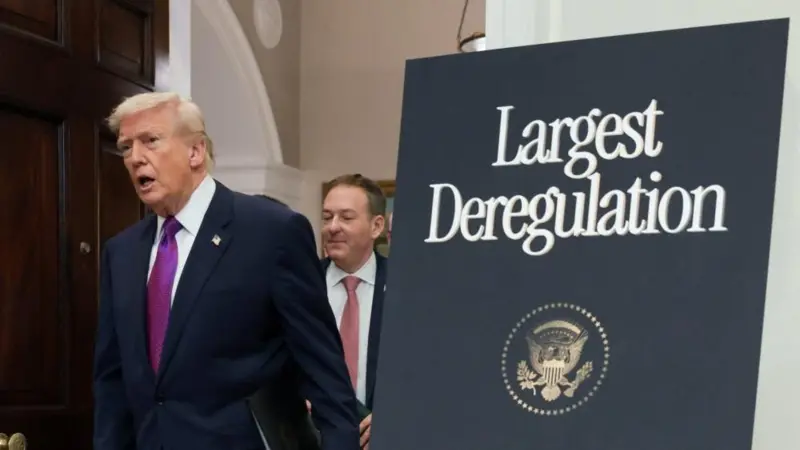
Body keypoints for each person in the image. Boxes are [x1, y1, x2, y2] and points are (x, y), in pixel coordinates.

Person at [93, 92, 359, 450]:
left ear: (195, 151)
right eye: (126, 147)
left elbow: (323, 369)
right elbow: (112, 381)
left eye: (150, 140)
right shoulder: (121, 252)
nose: (135, 157)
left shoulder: (271, 232)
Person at [320, 174, 389, 450]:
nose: (333, 227)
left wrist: (394, 414)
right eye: (327, 217)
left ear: (376, 226)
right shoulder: (300, 285)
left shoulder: (407, 286)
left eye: (346, 217)